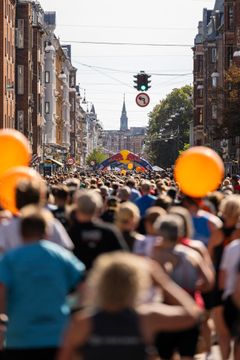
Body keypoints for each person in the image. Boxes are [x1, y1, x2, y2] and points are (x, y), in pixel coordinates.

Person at [58, 252, 203, 360]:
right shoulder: (146, 318)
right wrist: (162, 282)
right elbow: (192, 314)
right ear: (137, 284)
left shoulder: (83, 322)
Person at [0, 206, 85, 360]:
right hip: (57, 336)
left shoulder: (10, 258)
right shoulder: (61, 256)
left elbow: (1, 294)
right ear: (47, 231)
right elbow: (85, 288)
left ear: (21, 232)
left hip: (19, 337)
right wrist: (72, 310)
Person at [152, 214, 213, 360]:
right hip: (191, 308)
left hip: (165, 311)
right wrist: (192, 287)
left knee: (165, 355)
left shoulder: (157, 256)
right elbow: (209, 282)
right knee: (188, 354)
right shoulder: (193, 254)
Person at [0, 179, 74, 253]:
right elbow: (67, 250)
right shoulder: (52, 224)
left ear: (16, 200)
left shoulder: (6, 226)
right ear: (40, 199)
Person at [69, 190, 128, 270]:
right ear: (98, 208)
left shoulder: (69, 231)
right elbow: (123, 257)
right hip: (103, 277)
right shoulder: (109, 232)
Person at [219, 239, 240, 360]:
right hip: (236, 296)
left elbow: (223, 274)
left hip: (228, 297)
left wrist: (222, 298)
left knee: (225, 335)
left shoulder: (232, 246)